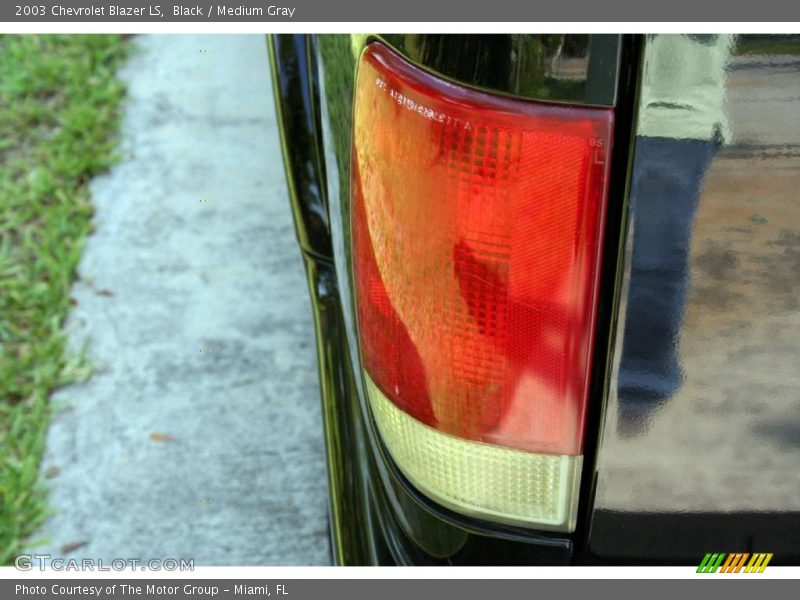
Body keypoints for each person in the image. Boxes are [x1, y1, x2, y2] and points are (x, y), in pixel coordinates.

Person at [617, 34, 735, 436]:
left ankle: (631, 377)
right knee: (657, 262)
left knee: (586, 256)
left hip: (648, 114)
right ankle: (640, 378)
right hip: (673, 120)